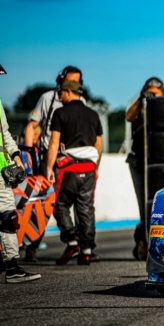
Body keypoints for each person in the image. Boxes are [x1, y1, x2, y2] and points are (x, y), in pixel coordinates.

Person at [22, 65, 96, 262]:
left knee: (71, 206)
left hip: (66, 162)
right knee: (40, 204)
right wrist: (29, 152)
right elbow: (32, 126)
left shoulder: (80, 103)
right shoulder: (47, 98)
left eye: (78, 81)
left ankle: (80, 245)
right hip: (51, 158)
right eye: (71, 80)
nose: (74, 84)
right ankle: (32, 247)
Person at [46, 80, 103, 266]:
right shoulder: (94, 115)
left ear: (69, 92)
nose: (60, 96)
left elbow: (54, 143)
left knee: (60, 206)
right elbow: (99, 145)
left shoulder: (60, 113)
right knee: (86, 209)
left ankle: (72, 242)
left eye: (61, 92)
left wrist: (49, 167)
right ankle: (86, 251)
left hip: (68, 168)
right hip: (89, 168)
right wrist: (96, 167)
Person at [0, 63, 41, 283]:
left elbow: (5, 132)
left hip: (1, 172)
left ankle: (11, 266)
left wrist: (15, 155)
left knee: (7, 216)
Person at [125, 77, 164, 261]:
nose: (152, 97)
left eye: (156, 94)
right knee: (144, 204)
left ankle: (156, 241)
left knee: (158, 204)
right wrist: (142, 99)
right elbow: (128, 116)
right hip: (139, 161)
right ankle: (143, 239)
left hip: (160, 161)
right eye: (149, 92)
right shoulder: (139, 107)